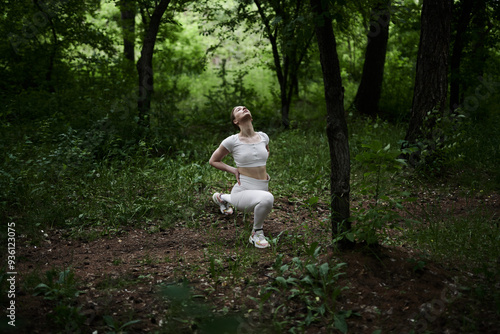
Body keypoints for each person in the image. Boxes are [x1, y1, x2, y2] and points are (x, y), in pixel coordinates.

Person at [209, 106, 274, 248]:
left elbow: (266, 152)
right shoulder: (231, 141)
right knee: (267, 198)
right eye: (238, 109)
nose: (243, 108)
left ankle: (221, 197)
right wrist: (233, 170)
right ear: (235, 121)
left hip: (260, 188)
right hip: (242, 191)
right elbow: (213, 160)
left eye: (245, 107)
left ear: (251, 117)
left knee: (264, 197)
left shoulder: (263, 137)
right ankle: (256, 233)